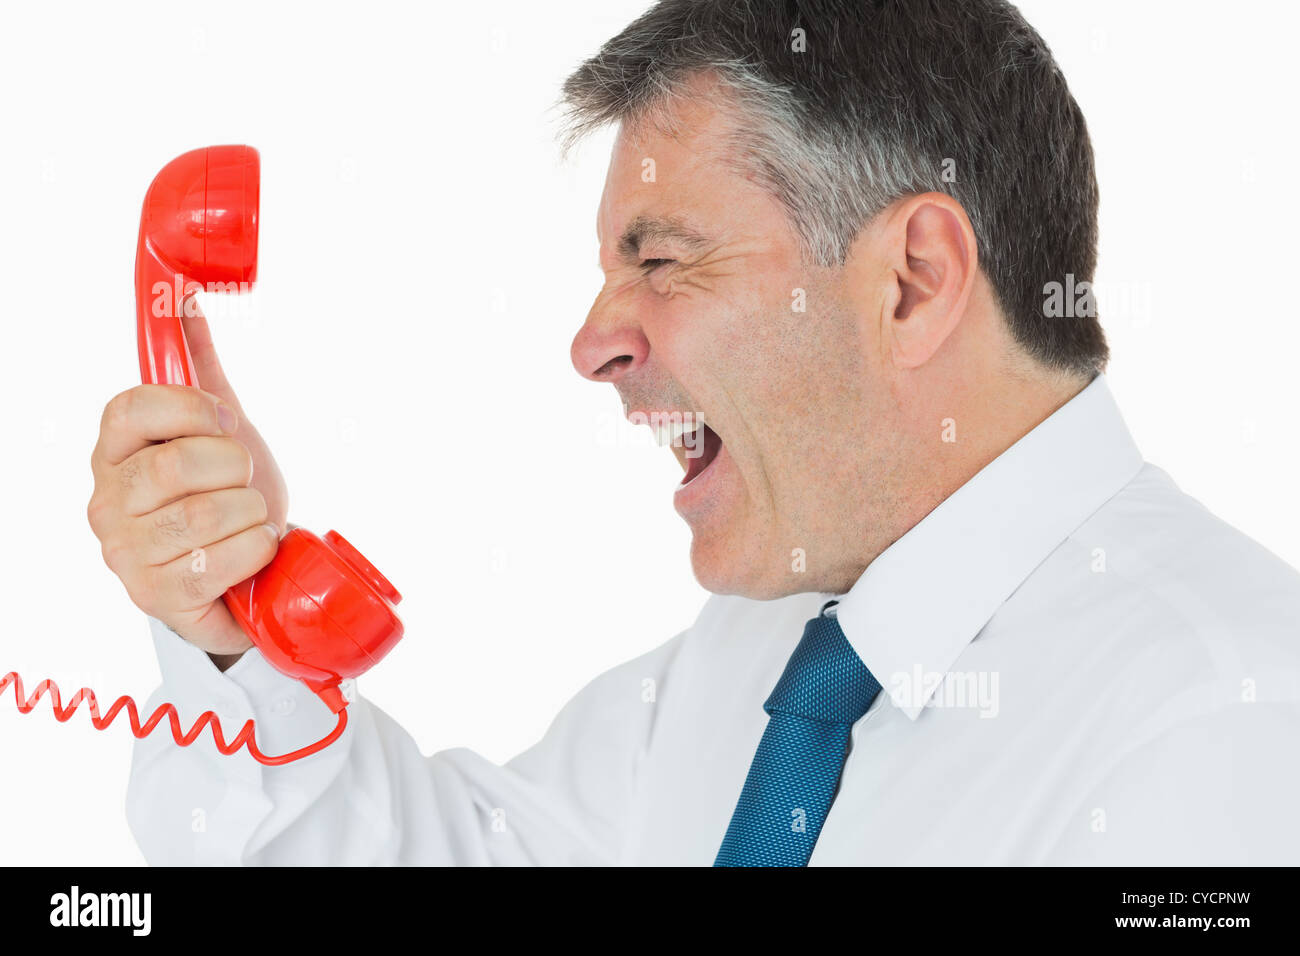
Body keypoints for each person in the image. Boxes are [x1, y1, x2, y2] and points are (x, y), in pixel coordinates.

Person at [88, 0, 1300, 865]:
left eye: (661, 258)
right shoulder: (759, 664)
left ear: (913, 281)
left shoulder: (1231, 718)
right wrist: (231, 622)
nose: (593, 341)